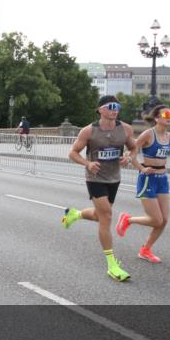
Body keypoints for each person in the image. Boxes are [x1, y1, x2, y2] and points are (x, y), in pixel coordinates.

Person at [61, 95, 139, 282]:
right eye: (111, 106)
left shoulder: (125, 129)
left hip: (114, 177)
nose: (115, 109)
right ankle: (112, 265)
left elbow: (134, 148)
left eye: (117, 106)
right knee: (107, 216)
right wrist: (87, 164)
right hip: (95, 178)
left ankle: (75, 214)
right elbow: (72, 153)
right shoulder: (89, 131)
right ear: (100, 110)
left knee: (99, 215)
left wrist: (128, 156)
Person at [115, 104, 170, 263]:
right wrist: (141, 169)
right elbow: (132, 153)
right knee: (156, 219)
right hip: (147, 179)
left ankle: (146, 249)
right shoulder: (148, 134)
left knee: (164, 220)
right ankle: (127, 219)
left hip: (162, 179)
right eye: (166, 115)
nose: (169, 118)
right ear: (157, 118)